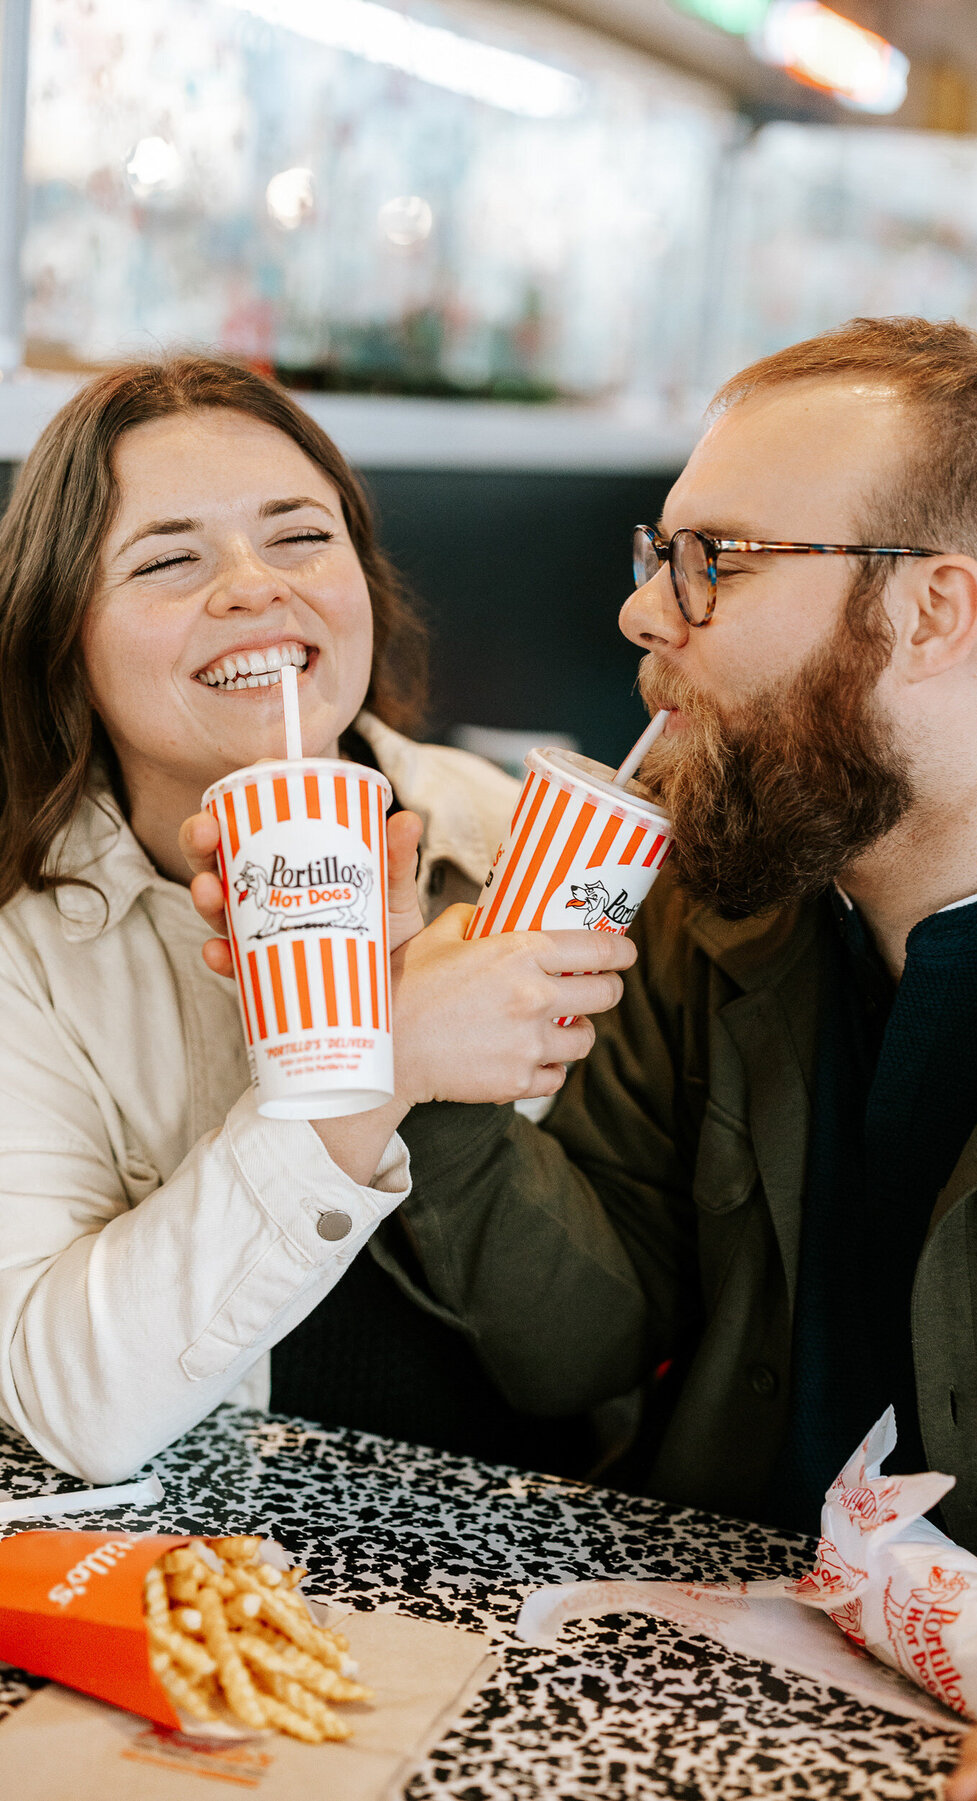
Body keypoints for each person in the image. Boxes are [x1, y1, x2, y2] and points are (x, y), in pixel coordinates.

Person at [185, 317, 977, 1795]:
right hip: (713, 1665)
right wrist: (422, 1058)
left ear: (933, 613)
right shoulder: (723, 906)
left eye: (712, 562)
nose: (639, 613)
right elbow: (584, 1340)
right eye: (659, 551)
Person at [0, 353, 633, 1488]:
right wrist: (377, 1065)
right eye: (168, 557)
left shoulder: (522, 845)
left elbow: (607, 1348)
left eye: (300, 537)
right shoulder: (24, 945)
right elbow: (73, 1405)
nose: (254, 587)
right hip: (220, 1560)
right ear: (65, 639)